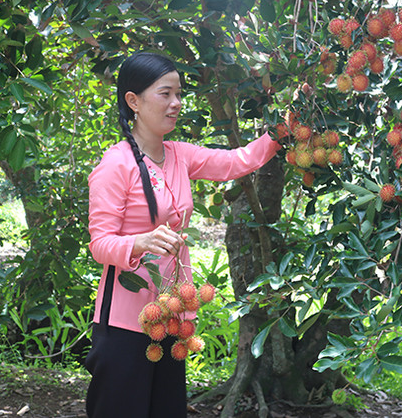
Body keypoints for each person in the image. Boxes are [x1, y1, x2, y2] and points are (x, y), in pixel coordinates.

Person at [85, 52, 282, 418]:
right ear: (134, 101)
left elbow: (238, 161)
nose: (176, 103)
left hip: (172, 315)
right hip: (124, 322)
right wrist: (139, 242)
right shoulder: (115, 165)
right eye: (165, 94)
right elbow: (100, 243)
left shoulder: (180, 155)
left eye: (179, 94)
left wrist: (284, 128)